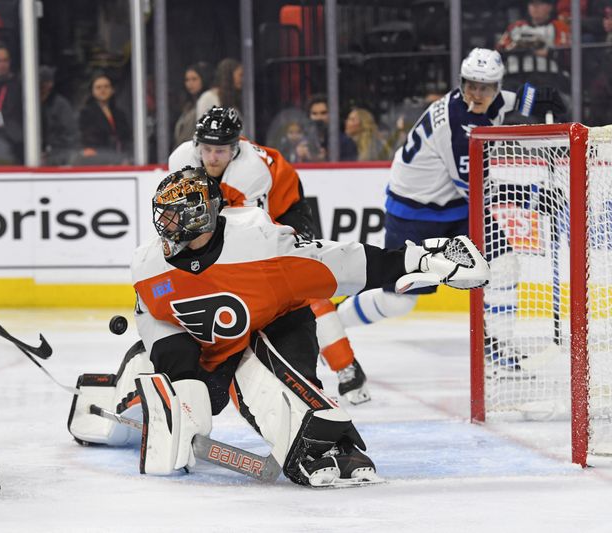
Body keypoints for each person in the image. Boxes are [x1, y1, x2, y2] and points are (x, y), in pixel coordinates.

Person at [68, 167, 489, 487]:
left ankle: (325, 443)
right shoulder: (148, 265)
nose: (168, 227)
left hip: (276, 322)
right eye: (165, 217)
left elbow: (343, 262)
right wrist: (181, 372)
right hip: (208, 347)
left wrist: (421, 260)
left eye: (177, 217)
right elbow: (152, 315)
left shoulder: (260, 243)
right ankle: (112, 395)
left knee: (280, 380)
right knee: (181, 391)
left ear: (201, 216)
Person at [336, 48, 565, 368]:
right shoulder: (458, 126)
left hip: (454, 207)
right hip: (415, 214)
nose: (476, 94)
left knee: (504, 264)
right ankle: (329, 325)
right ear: (461, 83)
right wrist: (533, 197)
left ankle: (498, 352)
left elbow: (517, 100)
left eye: (485, 87)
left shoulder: (491, 99)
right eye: (470, 85)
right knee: (397, 301)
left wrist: (542, 97)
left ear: (496, 86)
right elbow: (477, 191)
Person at [169, 106, 369, 402]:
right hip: (234, 212)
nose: (211, 158)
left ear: (235, 149)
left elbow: (253, 237)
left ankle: (346, 365)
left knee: (301, 286)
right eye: (207, 149)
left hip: (284, 210)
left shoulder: (251, 173)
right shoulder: (181, 159)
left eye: (220, 151)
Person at [77, 72, 132, 165]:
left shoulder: (119, 113)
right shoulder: (85, 113)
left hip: (119, 156)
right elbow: (84, 136)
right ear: (92, 91)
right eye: (98, 87)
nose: (103, 90)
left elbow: (126, 135)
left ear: (112, 90)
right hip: (98, 157)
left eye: (106, 87)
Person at [496, 0, 570, 55]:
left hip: (548, 71)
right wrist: (515, 48)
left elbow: (565, 52)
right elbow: (499, 49)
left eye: (540, 3)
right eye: (532, 3)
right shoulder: (516, 26)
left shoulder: (559, 26)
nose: (535, 7)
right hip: (515, 70)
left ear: (550, 7)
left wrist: (546, 52)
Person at [40, 65, 78, 166]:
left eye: (44, 82)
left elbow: (71, 135)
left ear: (50, 84)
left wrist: (51, 150)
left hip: (58, 157)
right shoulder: (28, 103)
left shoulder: (60, 105)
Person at [306, 94, 357, 161]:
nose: (319, 118)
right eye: (314, 114)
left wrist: (326, 159)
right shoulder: (304, 141)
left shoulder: (344, 142)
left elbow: (348, 169)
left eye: (323, 113)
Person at [173, 62, 213, 148]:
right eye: (187, 80)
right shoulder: (188, 105)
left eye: (194, 79)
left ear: (203, 79)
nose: (190, 83)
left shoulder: (208, 101)